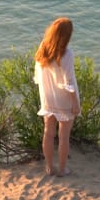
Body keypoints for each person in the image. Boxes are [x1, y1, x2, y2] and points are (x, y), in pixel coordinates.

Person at [34, 17, 81, 177]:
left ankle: (49, 167)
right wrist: (75, 103)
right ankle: (62, 169)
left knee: (48, 132)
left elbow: (37, 74)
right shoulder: (67, 54)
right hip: (64, 99)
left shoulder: (43, 48)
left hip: (47, 97)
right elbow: (69, 83)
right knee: (64, 136)